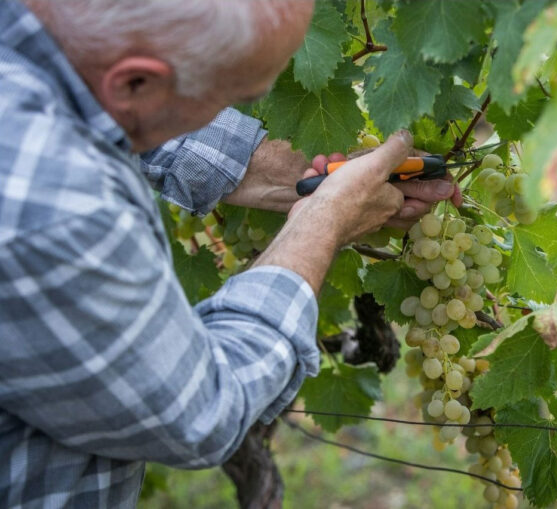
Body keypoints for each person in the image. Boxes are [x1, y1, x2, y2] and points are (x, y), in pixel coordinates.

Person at [0, 0, 459, 507]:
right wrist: (323, 221)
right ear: (135, 84)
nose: (238, 110)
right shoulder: (52, 210)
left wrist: (291, 175)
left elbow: (125, 103)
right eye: (237, 97)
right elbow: (198, 412)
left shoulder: (50, 36)